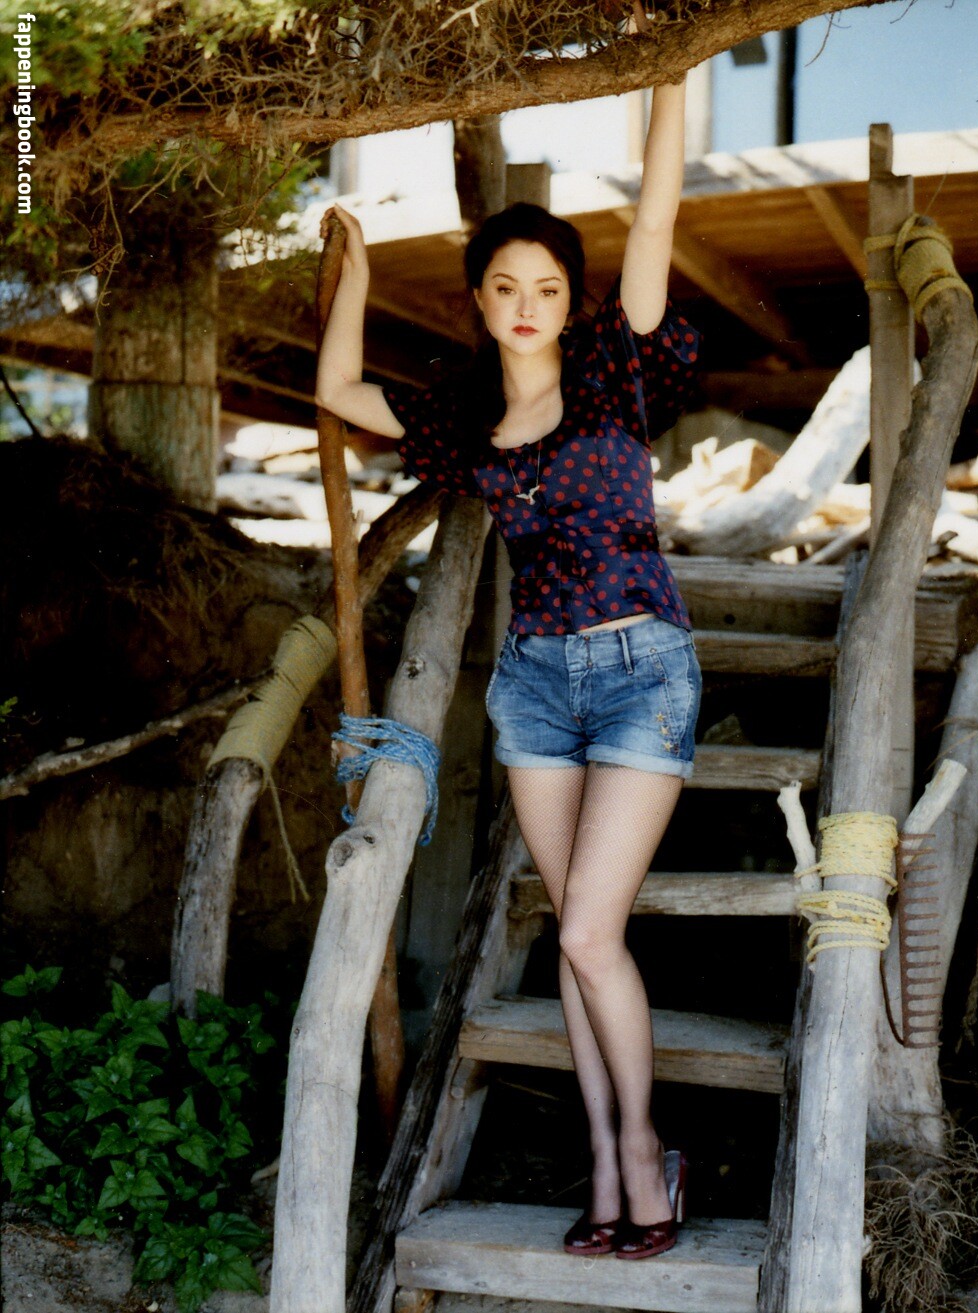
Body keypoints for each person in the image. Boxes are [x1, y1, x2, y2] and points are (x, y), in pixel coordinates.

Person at [315, 78, 701, 1260]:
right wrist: (354, 273)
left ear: (569, 300)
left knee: (585, 931)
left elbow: (654, 214)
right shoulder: (464, 417)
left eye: (545, 287)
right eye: (503, 287)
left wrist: (671, 76)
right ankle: (610, 1167)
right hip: (532, 687)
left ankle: (643, 1149)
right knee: (578, 940)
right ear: (479, 302)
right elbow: (338, 391)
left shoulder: (614, 367)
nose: (526, 305)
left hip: (640, 669)